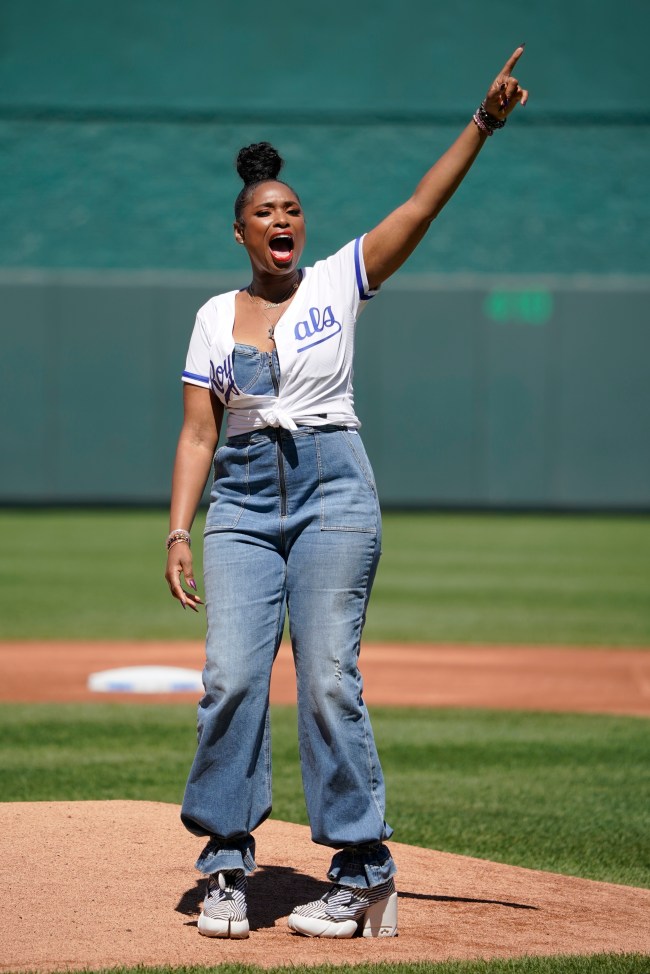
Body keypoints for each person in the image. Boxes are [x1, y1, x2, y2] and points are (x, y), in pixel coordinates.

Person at [165, 46, 528, 940]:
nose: (280, 218)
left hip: (333, 489)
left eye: (290, 208)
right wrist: (179, 530)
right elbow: (197, 433)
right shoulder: (214, 315)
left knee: (328, 679)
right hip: (241, 505)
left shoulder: (338, 282)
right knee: (232, 679)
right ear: (241, 232)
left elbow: (419, 206)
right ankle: (225, 868)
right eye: (264, 212)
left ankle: (365, 875)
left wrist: (481, 124)